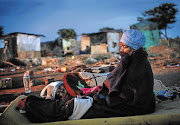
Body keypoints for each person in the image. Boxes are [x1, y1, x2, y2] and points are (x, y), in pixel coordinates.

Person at [16, 29, 155, 122]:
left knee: (73, 107)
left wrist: (100, 98)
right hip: (119, 102)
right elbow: (116, 85)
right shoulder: (134, 59)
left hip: (126, 107)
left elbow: (124, 96)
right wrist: (99, 95)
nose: (121, 50)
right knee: (77, 100)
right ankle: (34, 104)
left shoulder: (136, 64)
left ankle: (31, 107)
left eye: (124, 46)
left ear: (133, 47)